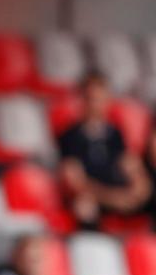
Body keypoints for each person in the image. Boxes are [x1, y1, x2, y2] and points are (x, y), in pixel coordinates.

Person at [58, 72, 152, 227]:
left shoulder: (115, 134)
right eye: (91, 98)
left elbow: (130, 164)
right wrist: (113, 198)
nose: (96, 104)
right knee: (84, 207)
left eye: (101, 98)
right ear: (82, 100)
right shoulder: (70, 136)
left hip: (118, 192)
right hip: (95, 196)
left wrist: (139, 187)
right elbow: (75, 181)